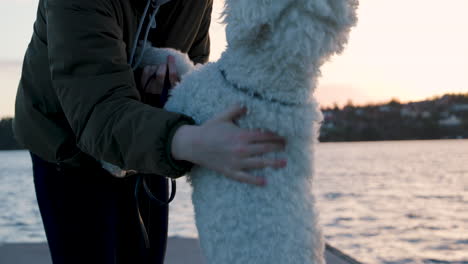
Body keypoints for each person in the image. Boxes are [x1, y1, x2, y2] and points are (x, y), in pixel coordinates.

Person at [13, 0, 287, 263]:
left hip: (150, 133)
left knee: (145, 256)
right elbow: (99, 112)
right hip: (68, 144)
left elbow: (196, 62)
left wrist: (176, 82)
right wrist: (192, 142)